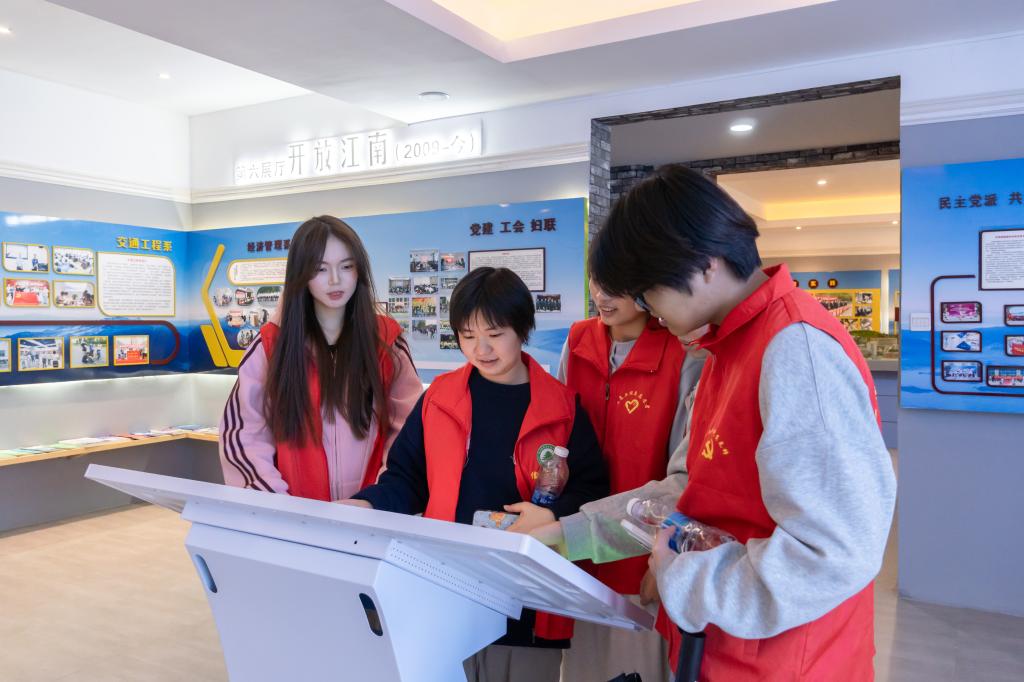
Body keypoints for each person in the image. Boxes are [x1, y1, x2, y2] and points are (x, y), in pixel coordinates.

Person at [570, 164, 897, 680]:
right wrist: (566, 534)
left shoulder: (795, 349)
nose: (649, 310)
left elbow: (834, 552)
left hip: (783, 663)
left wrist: (686, 578)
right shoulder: (727, 347)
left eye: (649, 292)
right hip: (724, 650)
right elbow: (690, 488)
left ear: (704, 264)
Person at [345, 267, 609, 682]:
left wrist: (554, 516)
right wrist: (367, 504)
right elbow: (407, 479)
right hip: (447, 594)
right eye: (467, 336)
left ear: (523, 329)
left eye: (495, 333)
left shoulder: (563, 408)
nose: (481, 349)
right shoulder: (439, 399)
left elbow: (593, 490)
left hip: (525, 606)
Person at [553, 278, 703, 682]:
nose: (602, 296)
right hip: (577, 550)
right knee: (582, 668)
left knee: (636, 668)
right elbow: (561, 429)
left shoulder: (681, 351)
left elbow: (686, 476)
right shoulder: (578, 340)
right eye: (597, 282)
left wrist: (666, 561)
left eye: (616, 286)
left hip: (642, 555)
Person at [218, 215, 423, 502]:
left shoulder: (386, 341)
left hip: (370, 513)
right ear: (301, 274)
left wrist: (378, 498)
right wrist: (279, 505)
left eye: (346, 266)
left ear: (359, 270)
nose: (335, 280)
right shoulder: (271, 346)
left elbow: (409, 431)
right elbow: (245, 435)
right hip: (294, 516)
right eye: (320, 269)